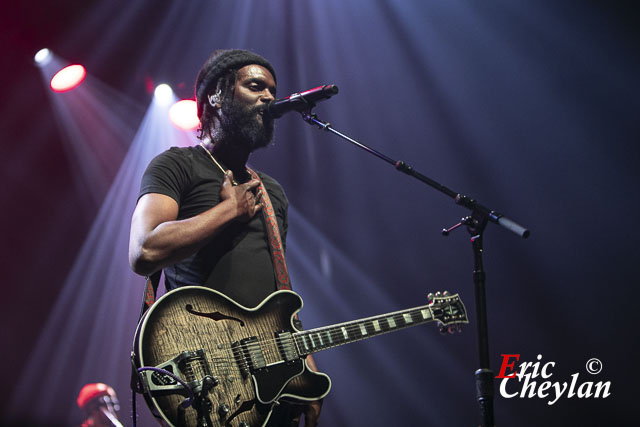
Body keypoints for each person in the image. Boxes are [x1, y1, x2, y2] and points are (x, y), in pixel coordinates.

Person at [129, 49, 322, 426]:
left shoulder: (271, 193)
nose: (268, 97)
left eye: (272, 90)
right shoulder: (176, 165)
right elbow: (144, 250)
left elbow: (279, 298)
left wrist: (307, 373)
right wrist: (227, 211)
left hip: (269, 385)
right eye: (255, 86)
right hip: (206, 378)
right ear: (216, 96)